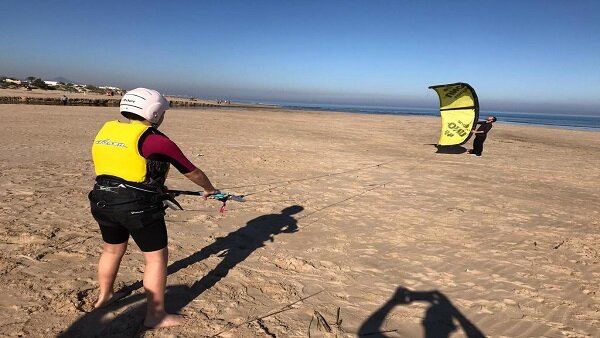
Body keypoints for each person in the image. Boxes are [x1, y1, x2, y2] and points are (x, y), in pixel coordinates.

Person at [88, 88, 218, 328]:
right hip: (137, 207)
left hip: (102, 199)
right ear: (155, 112)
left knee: (111, 250)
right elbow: (193, 172)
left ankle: (104, 296)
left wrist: (157, 185)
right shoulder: (157, 140)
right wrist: (209, 189)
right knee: (156, 259)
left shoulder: (107, 130)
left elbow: (124, 165)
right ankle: (156, 315)